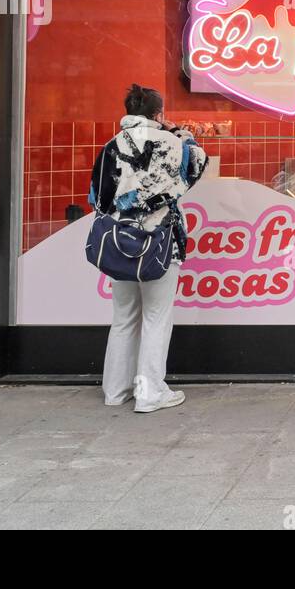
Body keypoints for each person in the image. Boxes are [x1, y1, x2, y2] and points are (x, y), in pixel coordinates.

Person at [91, 84, 208, 413]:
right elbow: (198, 165)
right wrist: (181, 132)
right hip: (159, 242)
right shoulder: (171, 143)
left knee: (124, 318)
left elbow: (96, 197)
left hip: (119, 242)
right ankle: (150, 392)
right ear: (159, 114)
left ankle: (115, 391)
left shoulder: (111, 146)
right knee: (157, 318)